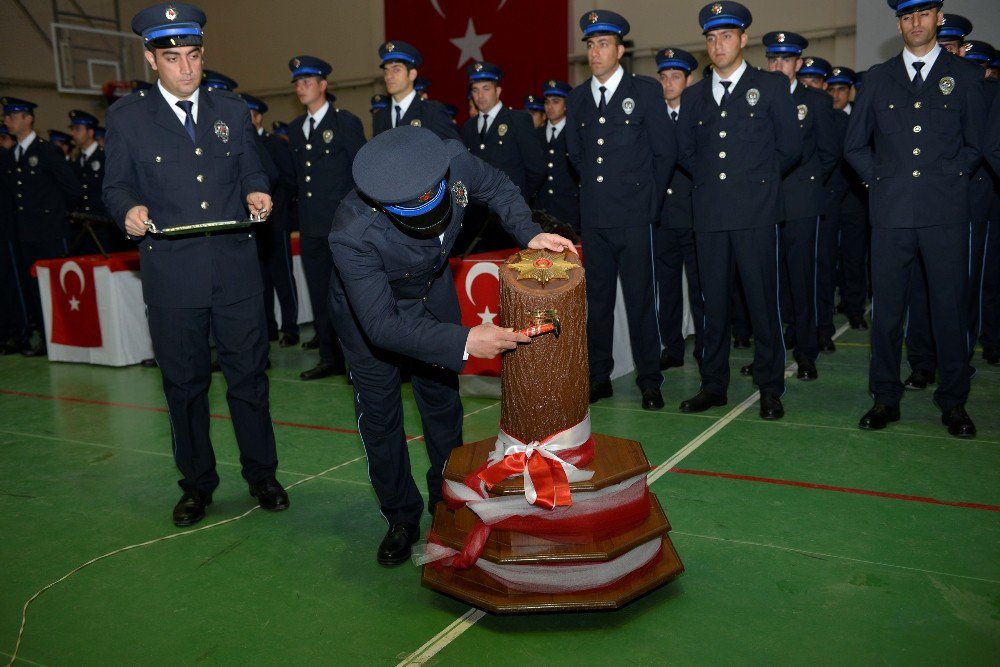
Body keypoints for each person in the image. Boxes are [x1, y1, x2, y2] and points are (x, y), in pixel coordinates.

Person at [327, 126, 573, 565]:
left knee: (442, 404)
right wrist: (464, 340)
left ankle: (450, 496)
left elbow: (496, 184)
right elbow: (382, 324)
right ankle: (400, 516)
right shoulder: (352, 232)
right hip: (372, 312)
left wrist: (527, 231)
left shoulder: (453, 162)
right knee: (381, 418)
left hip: (431, 291)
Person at [103, 2, 290, 526]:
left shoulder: (231, 111)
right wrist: (128, 210)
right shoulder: (127, 119)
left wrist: (257, 192)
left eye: (193, 56)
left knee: (249, 379)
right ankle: (197, 484)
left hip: (234, 272)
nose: (186, 69)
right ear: (151, 60)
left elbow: (254, 170)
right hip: (172, 277)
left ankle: (261, 473)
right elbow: (114, 185)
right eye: (172, 58)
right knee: (184, 386)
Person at [844, 0, 986, 438]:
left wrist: (949, 178)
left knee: (949, 309)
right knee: (887, 313)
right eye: (907, 17)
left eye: (923, 14)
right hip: (890, 214)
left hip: (943, 212)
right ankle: (885, 398)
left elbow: (977, 143)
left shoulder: (965, 76)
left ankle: (954, 402)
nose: (916, 24)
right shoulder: (878, 78)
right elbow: (854, 145)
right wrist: (880, 182)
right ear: (899, 23)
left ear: (938, 18)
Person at [675, 1, 800, 420]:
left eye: (726, 36)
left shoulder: (770, 87)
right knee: (713, 307)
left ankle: (770, 387)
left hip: (756, 214)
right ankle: (713, 385)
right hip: (710, 215)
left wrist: (755, 184)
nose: (718, 44)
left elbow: (790, 148)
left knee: (763, 304)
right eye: (711, 37)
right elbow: (685, 152)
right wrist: (717, 185)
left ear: (743, 39)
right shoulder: (693, 98)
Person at [566, 9, 675, 410]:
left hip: (634, 216)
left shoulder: (644, 91)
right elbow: (575, 154)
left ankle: (650, 379)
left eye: (604, 44)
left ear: (620, 50)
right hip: (595, 218)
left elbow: (665, 151)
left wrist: (649, 204)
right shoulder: (578, 99)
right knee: (597, 303)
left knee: (641, 299)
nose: (596, 52)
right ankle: (600, 376)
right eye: (591, 45)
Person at [762, 32, 839, 382]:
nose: (778, 65)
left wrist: (806, 187)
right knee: (768, 283)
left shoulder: (816, 101)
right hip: (763, 204)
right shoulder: (758, 96)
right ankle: (772, 352)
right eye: (773, 59)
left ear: (798, 63)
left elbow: (828, 154)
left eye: (785, 59)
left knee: (801, 279)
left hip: (801, 203)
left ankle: (806, 351)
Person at [287, 54, 365, 380]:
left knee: (349, 295)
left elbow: (360, 171)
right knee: (319, 294)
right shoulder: (295, 128)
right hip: (310, 225)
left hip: (341, 225)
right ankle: (329, 358)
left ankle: (356, 361)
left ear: (323, 85)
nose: (301, 87)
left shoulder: (344, 122)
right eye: (297, 83)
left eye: (307, 82)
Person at [2, 96, 80, 356]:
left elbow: (71, 188)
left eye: (13, 116)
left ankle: (66, 337)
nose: (7, 121)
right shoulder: (13, 155)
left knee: (57, 288)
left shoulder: (46, 151)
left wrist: (62, 216)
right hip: (24, 233)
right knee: (33, 288)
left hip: (50, 231)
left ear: (28, 118)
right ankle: (45, 338)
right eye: (6, 116)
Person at [653, 47, 704, 371]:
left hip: (695, 212)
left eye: (675, 77)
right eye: (663, 77)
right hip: (663, 215)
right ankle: (672, 346)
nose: (668, 83)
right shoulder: (653, 118)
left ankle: (705, 345)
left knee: (701, 287)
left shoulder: (700, 116)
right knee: (667, 287)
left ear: (689, 80)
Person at [243, 93, 300, 348]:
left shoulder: (274, 143)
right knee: (261, 280)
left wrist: (282, 214)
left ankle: (291, 328)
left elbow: (288, 180)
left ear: (258, 116)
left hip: (276, 222)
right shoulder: (244, 144)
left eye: (250, 115)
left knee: (283, 278)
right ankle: (269, 328)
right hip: (255, 225)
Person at [372, 41, 459, 141]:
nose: (389, 76)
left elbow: (455, 151)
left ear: (412, 74)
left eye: (396, 70)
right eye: (386, 70)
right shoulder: (380, 117)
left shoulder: (432, 112)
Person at [532, 79, 580, 232]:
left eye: (556, 101)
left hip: (569, 210)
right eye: (547, 102)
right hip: (541, 210)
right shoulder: (535, 135)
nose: (550, 107)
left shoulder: (575, 133)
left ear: (566, 105)